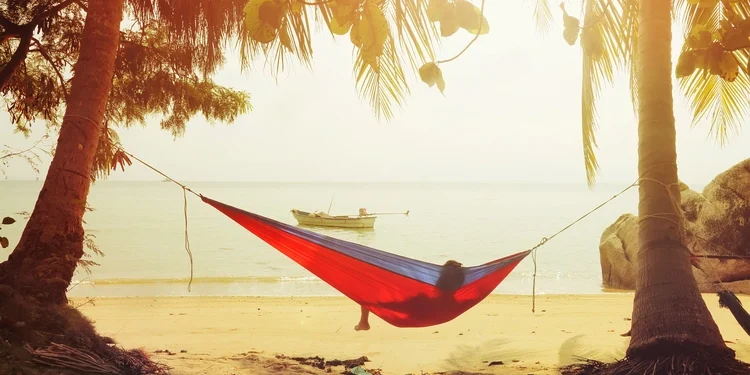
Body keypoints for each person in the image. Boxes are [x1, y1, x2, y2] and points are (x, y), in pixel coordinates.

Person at [354, 259, 465, 331]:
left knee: (367, 295)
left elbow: (396, 305)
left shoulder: (424, 298)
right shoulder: (456, 304)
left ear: (440, 279)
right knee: (370, 296)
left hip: (417, 312)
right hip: (427, 311)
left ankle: (364, 321)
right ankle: (364, 320)